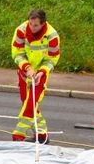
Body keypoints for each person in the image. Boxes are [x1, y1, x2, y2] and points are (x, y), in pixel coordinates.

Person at [10, 8, 60, 143]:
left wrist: (42, 72)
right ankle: (42, 136)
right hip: (24, 71)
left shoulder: (52, 35)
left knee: (31, 104)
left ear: (43, 24)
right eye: (30, 24)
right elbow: (17, 53)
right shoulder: (21, 30)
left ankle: (18, 135)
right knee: (26, 102)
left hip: (40, 75)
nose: (32, 28)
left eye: (36, 25)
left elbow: (52, 58)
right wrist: (27, 68)